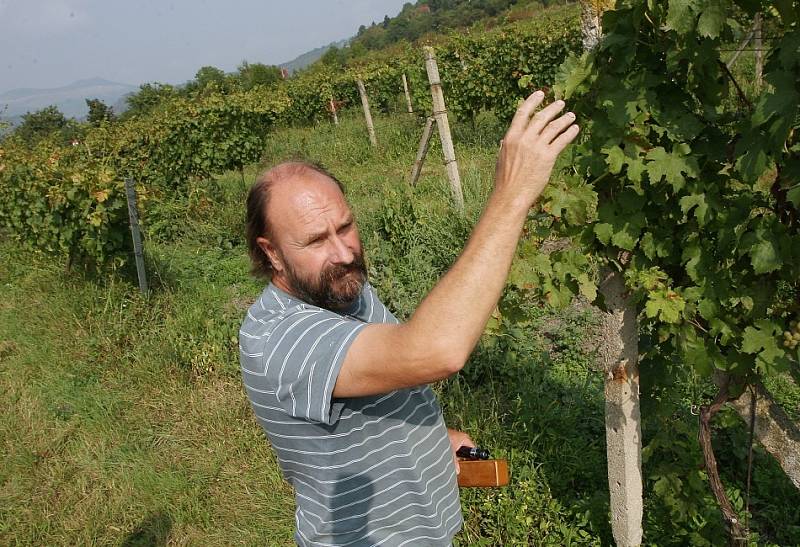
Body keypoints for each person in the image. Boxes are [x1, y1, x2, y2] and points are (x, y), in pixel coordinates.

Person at [239, 91, 579, 546]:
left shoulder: (339, 291)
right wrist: (512, 196)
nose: (343, 253)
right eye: (316, 240)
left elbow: (387, 380)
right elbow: (435, 351)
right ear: (271, 253)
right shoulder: (279, 338)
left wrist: (430, 439)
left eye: (345, 227)